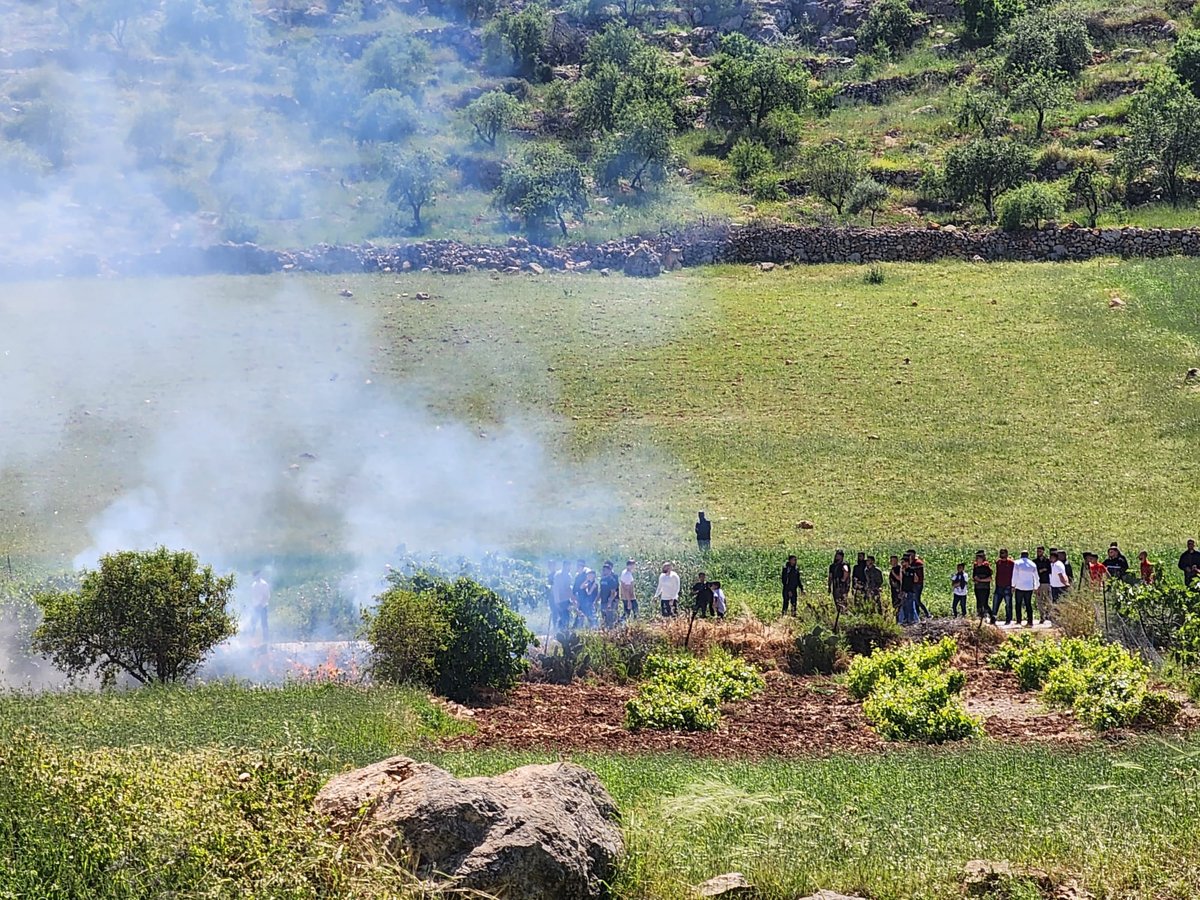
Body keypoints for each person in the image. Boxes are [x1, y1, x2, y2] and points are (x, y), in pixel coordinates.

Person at [1012, 550, 1039, 627]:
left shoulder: (1017, 563)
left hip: (1019, 586)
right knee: (1028, 604)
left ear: (1021, 555)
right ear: (1028, 555)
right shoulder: (1032, 564)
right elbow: (1036, 577)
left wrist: (1013, 585)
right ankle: (1030, 622)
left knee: (1018, 604)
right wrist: (1036, 586)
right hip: (1029, 587)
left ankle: (1018, 621)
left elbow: (1015, 575)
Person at [992, 548, 1014, 625]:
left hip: (1008, 586)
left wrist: (1013, 585)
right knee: (995, 603)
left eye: (1003, 553)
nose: (1002, 554)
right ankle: (993, 618)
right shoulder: (998, 562)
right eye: (1001, 553)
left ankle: (1008, 619)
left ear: (1007, 554)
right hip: (999, 586)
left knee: (1008, 604)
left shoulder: (1011, 563)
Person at [1034, 546, 1053, 624]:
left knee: (1048, 600)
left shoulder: (1047, 561)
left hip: (1046, 582)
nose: (1038, 553)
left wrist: (1045, 570)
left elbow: (1050, 570)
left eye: (1040, 551)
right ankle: (1042, 616)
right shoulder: (1034, 562)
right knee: (1039, 601)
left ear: (1043, 552)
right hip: (1038, 583)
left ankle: (1049, 615)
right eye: (1037, 551)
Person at [972, 551, 993, 623]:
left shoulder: (986, 568)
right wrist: (975, 580)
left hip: (985, 588)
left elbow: (989, 579)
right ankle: (980, 618)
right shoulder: (975, 567)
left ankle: (991, 616)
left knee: (985, 603)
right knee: (979, 603)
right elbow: (974, 577)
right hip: (977, 588)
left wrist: (981, 580)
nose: (978, 560)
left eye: (979, 558)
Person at [552, 560, 573, 630]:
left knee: (566, 616)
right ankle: (559, 631)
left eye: (569, 566)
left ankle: (563, 632)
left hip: (566, 600)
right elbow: (556, 589)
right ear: (564, 566)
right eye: (567, 566)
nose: (568, 568)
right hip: (560, 600)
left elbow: (569, 588)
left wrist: (571, 599)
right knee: (562, 616)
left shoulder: (569, 576)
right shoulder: (558, 575)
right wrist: (557, 601)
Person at [598, 562, 620, 629]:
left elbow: (613, 593)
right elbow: (601, 591)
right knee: (604, 619)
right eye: (603, 569)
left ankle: (611, 633)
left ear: (610, 570)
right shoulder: (602, 580)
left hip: (609, 603)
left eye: (606, 569)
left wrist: (609, 603)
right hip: (603, 602)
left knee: (610, 620)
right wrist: (596, 600)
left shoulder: (612, 580)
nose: (604, 571)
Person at [251, 570, 270, 645]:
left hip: (263, 607)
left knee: (264, 623)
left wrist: (261, 605)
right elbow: (253, 596)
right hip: (255, 607)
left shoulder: (264, 584)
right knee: (253, 623)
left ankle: (266, 640)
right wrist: (254, 605)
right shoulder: (253, 584)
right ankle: (251, 639)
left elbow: (266, 596)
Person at [888, 554, 904, 622]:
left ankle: (901, 620)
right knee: (895, 605)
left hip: (899, 589)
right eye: (892, 561)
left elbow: (900, 579)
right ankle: (897, 620)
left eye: (894, 561)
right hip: (893, 590)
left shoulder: (899, 568)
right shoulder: (893, 569)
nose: (893, 562)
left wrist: (893, 573)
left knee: (900, 605)